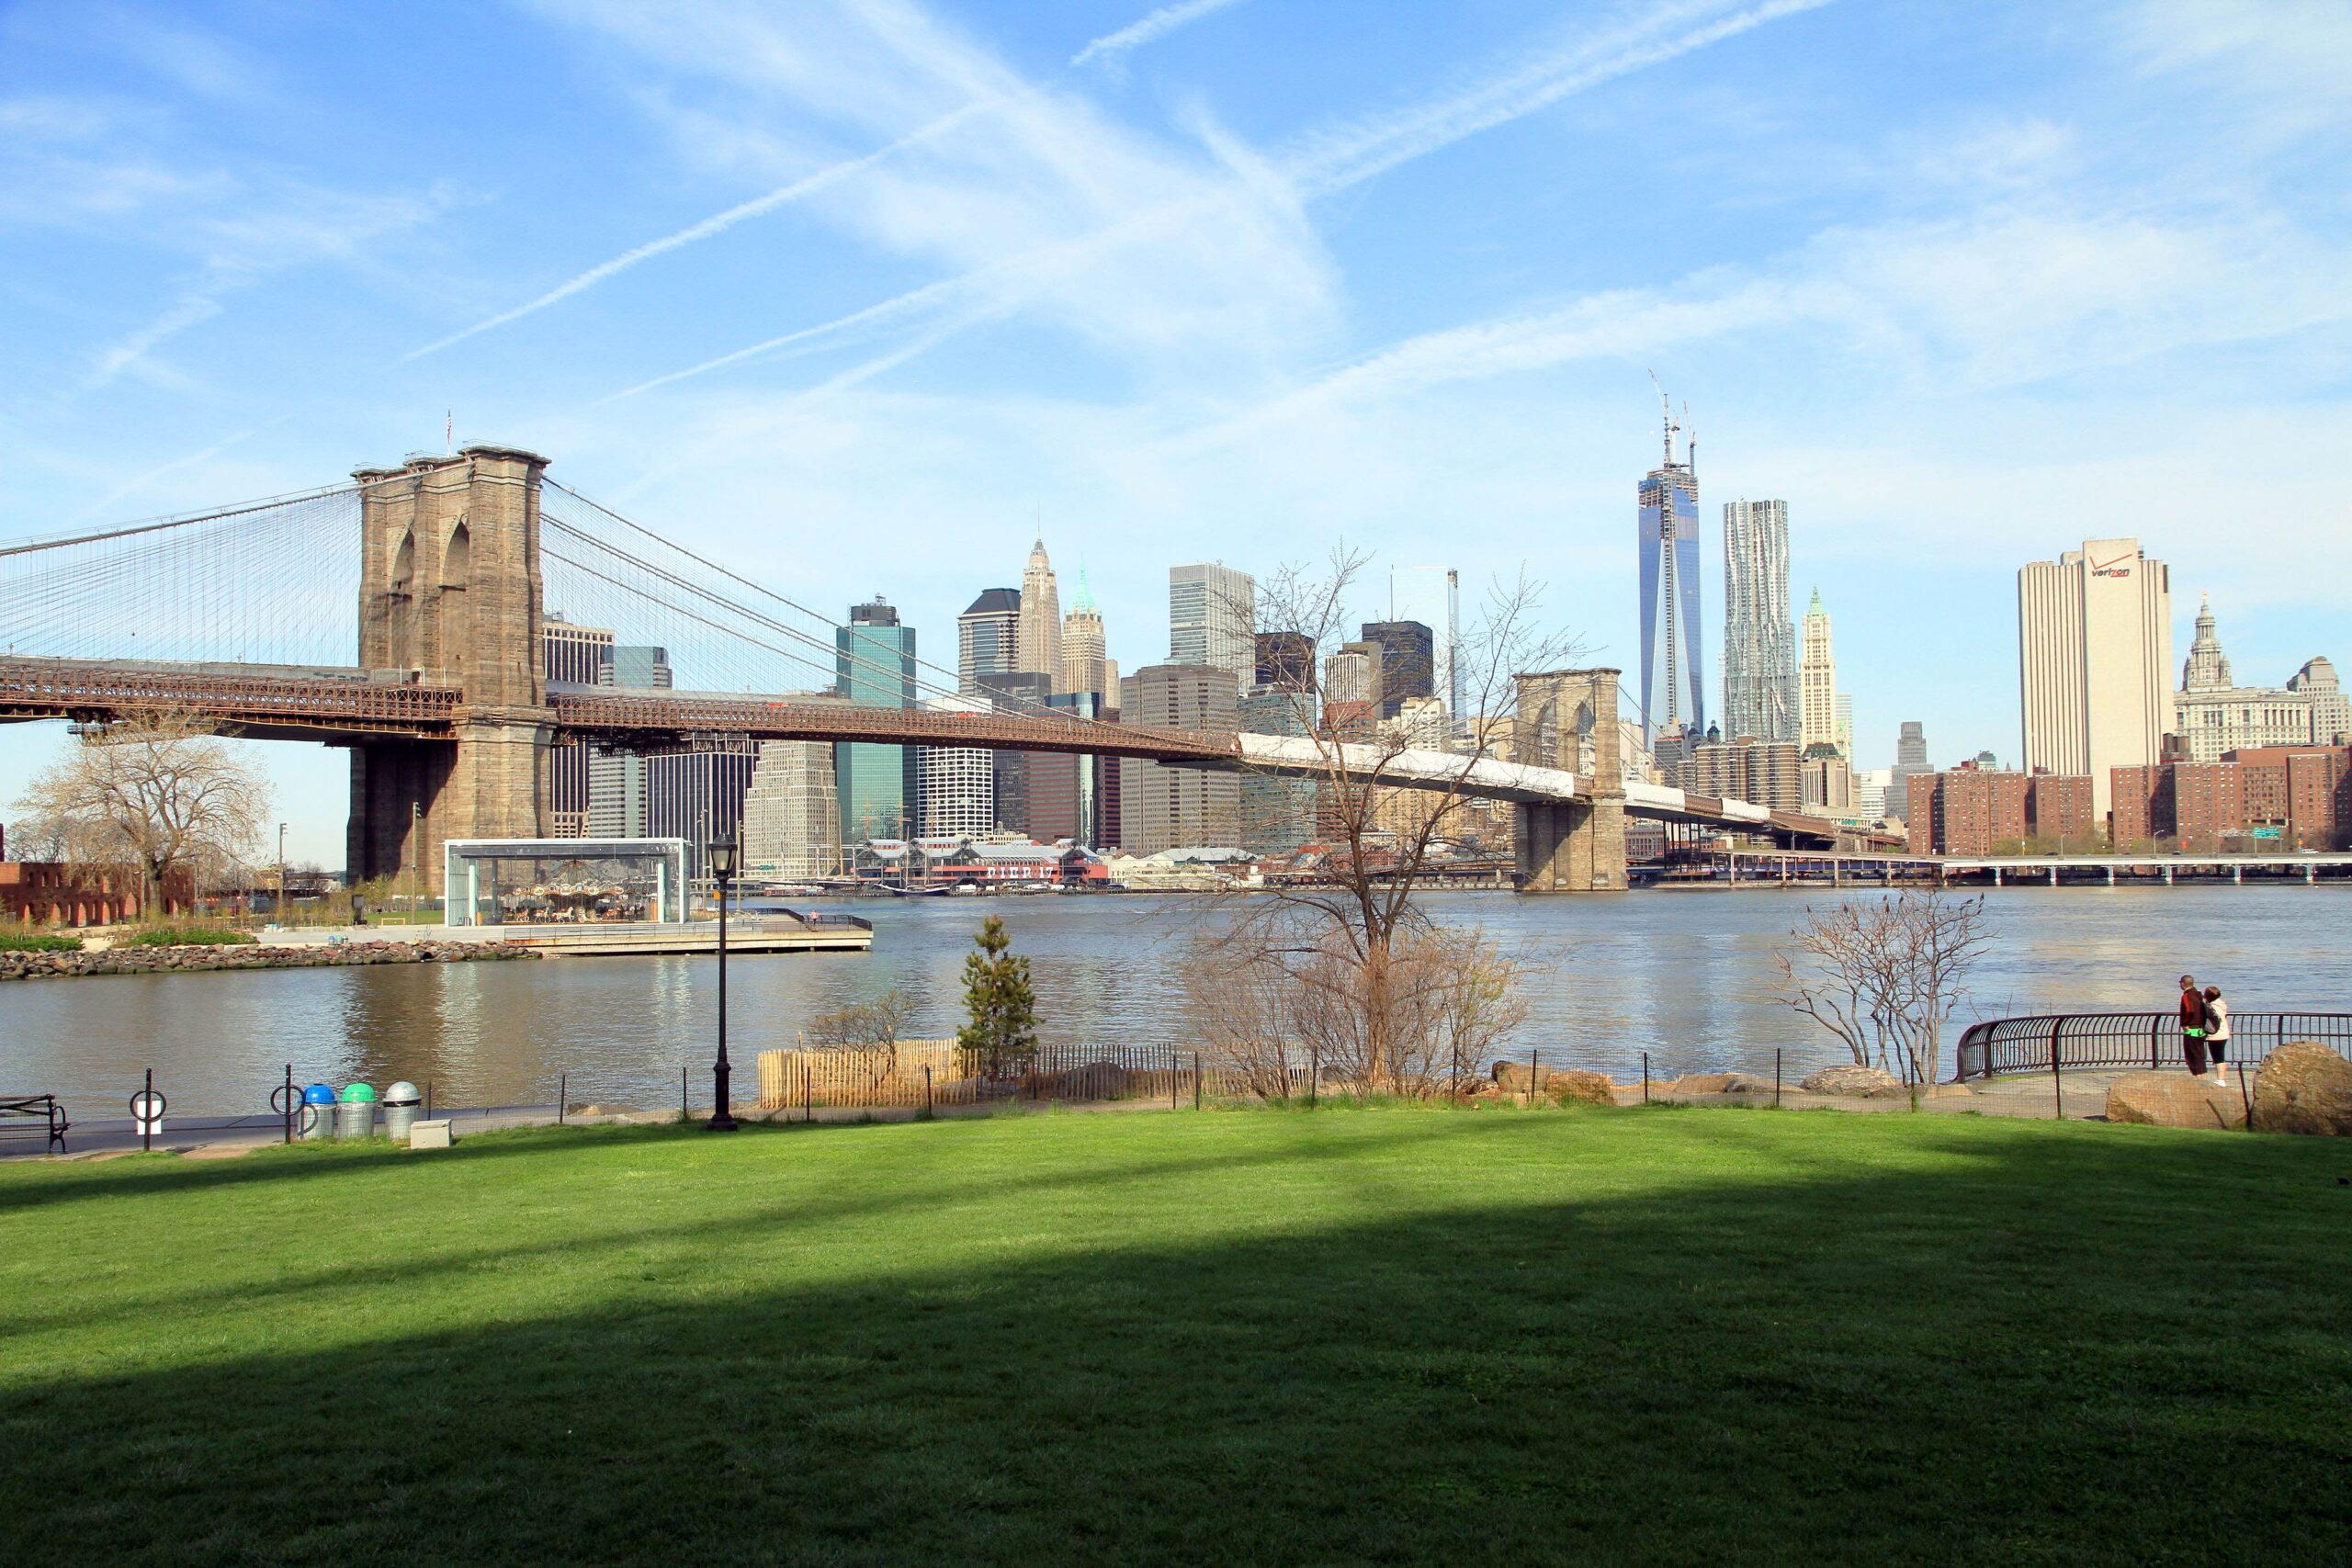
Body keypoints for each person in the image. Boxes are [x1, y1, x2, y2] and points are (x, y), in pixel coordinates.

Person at [2177, 975, 2208, 1077]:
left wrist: (2185, 1024)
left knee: (2192, 1055)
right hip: (2201, 1029)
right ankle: (2202, 1077)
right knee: (2200, 1055)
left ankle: (2197, 1078)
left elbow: (2189, 1010)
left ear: (2183, 983)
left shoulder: (2186, 996)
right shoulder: (2199, 995)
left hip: (2191, 1029)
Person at [2204, 985, 2232, 1086]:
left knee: (2218, 1058)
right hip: (2224, 1032)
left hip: (2215, 1034)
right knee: (2221, 1056)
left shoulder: (2211, 1007)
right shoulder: (2222, 1004)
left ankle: (2221, 1080)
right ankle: (2222, 1078)